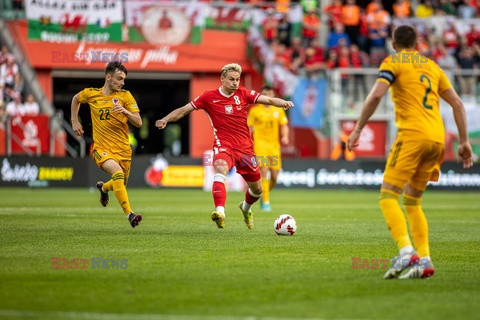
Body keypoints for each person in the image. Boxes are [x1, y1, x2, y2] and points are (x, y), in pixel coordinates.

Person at [347, 25, 474, 279]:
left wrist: (358, 127)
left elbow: (375, 96)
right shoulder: (433, 66)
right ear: (417, 43)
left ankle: (406, 251)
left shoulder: (393, 62)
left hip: (412, 136)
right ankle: (424, 260)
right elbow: (457, 103)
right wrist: (464, 142)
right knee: (413, 201)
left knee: (387, 196)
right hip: (436, 139)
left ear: (394, 44)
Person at [155, 63, 294, 229]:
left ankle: (245, 208)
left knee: (257, 190)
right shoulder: (208, 97)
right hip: (224, 146)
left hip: (246, 150)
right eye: (231, 79)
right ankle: (220, 212)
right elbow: (184, 110)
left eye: (237, 79)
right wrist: (165, 119)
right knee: (220, 168)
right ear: (222, 79)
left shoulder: (243, 93)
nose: (235, 83)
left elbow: (269, 100)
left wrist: (283, 102)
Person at [71, 61, 143, 228]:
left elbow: (138, 122)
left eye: (124, 79)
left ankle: (104, 189)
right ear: (108, 77)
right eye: (119, 78)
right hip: (101, 148)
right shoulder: (91, 94)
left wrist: (125, 112)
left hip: (124, 150)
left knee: (120, 184)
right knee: (117, 174)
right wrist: (75, 121)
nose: (122, 82)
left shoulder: (126, 96)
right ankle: (130, 215)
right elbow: (76, 99)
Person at [247, 85, 289, 212]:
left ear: (274, 95)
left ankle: (263, 193)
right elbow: (249, 127)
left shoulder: (279, 110)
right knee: (263, 171)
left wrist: (285, 136)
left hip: (274, 147)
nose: (268, 96)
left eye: (270, 94)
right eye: (265, 94)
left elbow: (284, 125)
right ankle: (265, 201)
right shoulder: (255, 110)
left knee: (275, 177)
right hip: (260, 145)